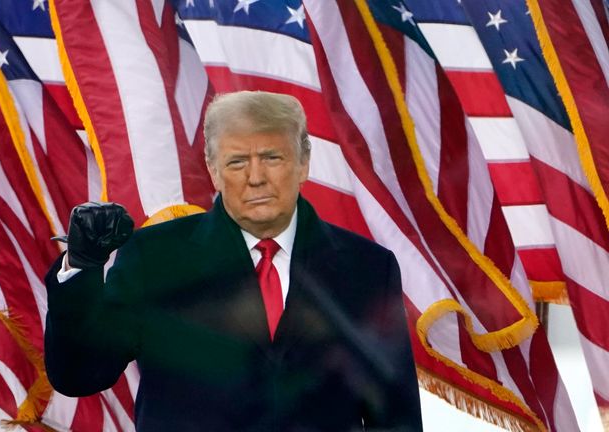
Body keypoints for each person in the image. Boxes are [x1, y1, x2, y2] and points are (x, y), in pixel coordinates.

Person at [44, 91, 422, 431]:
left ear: (304, 163)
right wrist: (83, 265)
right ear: (213, 170)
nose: (255, 178)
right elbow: (79, 374)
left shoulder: (367, 266)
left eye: (272, 157)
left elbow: (394, 416)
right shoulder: (154, 257)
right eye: (237, 161)